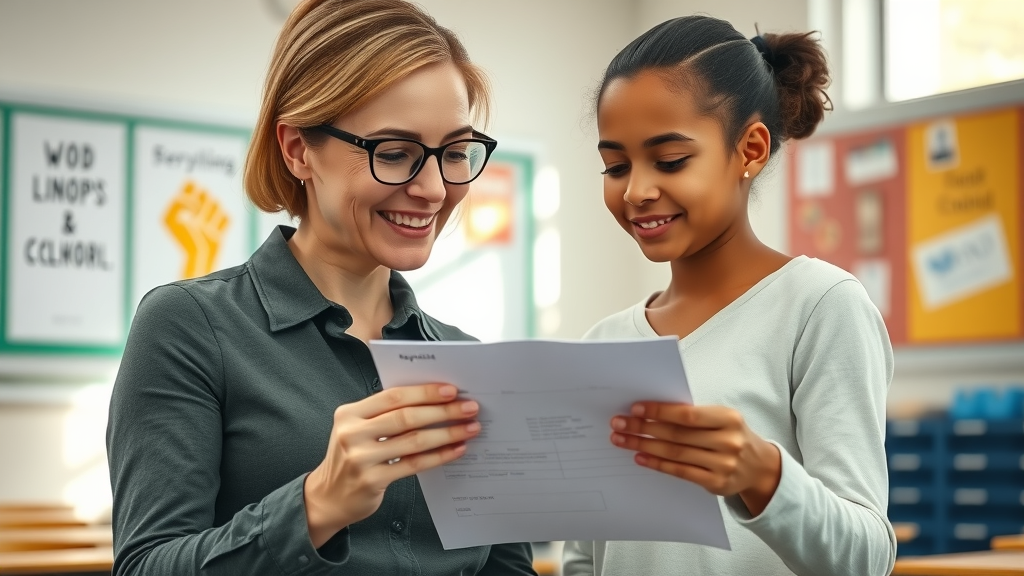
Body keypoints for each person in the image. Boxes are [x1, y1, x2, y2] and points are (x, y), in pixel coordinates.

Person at [106, 1, 536, 574]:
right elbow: (145, 566)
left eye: (454, 153)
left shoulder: (468, 360)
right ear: (298, 149)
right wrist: (315, 506)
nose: (434, 188)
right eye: (396, 153)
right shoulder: (188, 327)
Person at [562, 15, 895, 576]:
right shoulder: (604, 342)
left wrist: (762, 475)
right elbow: (584, 559)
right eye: (616, 166)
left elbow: (867, 558)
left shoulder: (819, 306)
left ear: (751, 149)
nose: (638, 191)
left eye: (670, 161)